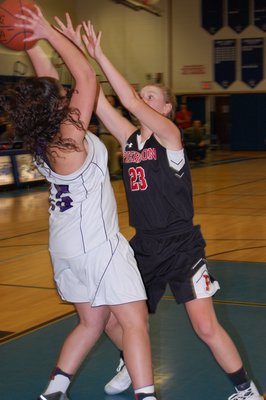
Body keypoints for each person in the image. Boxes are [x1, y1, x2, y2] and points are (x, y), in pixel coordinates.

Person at [79, 21, 263, 400]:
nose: (142, 99)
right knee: (118, 319)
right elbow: (95, 98)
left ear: (165, 108)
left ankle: (246, 390)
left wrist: (100, 54)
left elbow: (126, 101)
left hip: (182, 247)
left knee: (205, 327)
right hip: (143, 246)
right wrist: (74, 52)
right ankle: (129, 363)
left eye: (151, 97)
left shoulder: (171, 137)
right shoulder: (128, 140)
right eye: (141, 95)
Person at [0, 6, 158, 400]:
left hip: (65, 248)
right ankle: (146, 395)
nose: (71, 94)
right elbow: (86, 76)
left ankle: (54, 389)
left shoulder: (44, 138)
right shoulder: (70, 135)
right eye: (64, 95)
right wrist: (51, 32)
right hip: (96, 246)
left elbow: (50, 80)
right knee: (135, 322)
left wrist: (33, 38)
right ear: (58, 106)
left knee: (91, 324)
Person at [98, 94, 123, 179]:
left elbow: (119, 125)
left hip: (113, 136)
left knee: (114, 156)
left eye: (111, 101)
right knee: (104, 156)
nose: (109, 102)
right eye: (108, 101)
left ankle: (114, 173)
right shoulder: (101, 110)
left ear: (114, 102)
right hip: (104, 135)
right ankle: (104, 173)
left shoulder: (118, 111)